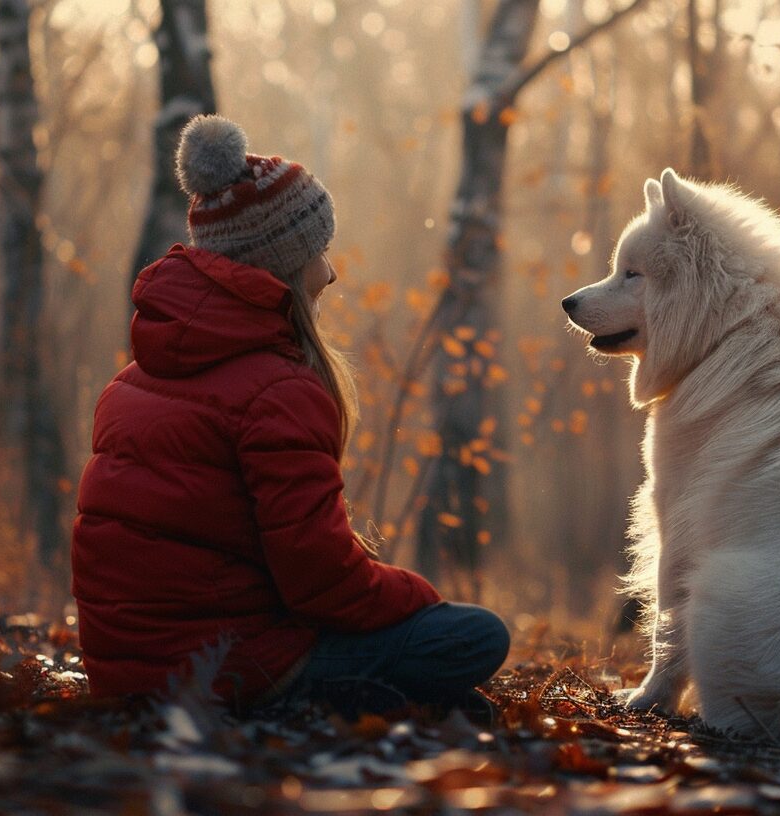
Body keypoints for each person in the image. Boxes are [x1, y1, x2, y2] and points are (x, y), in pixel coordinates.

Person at [71, 114, 509, 710]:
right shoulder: (278, 391)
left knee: (459, 701)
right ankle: (328, 700)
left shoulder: (130, 381)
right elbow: (322, 583)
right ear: (284, 264)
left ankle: (382, 700)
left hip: (129, 675)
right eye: (319, 251)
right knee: (475, 636)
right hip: (223, 671)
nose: (331, 271)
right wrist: (422, 601)